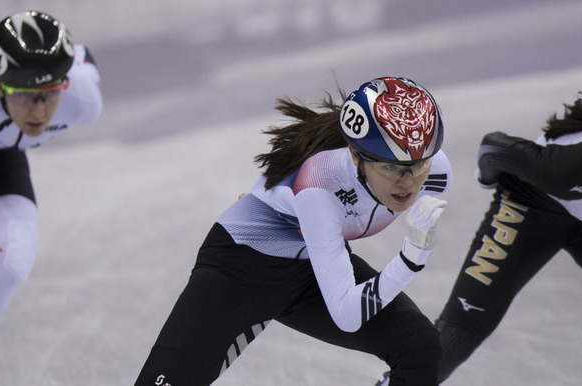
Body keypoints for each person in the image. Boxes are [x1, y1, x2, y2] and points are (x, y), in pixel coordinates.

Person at [135, 76, 453, 385]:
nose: (408, 181)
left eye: (419, 164)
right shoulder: (320, 188)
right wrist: (411, 258)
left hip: (311, 265)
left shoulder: (435, 172)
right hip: (242, 265)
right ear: (355, 154)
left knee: (419, 346)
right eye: (391, 167)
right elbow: (347, 314)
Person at [434, 69, 582, 385]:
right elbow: (493, 149)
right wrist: (488, 182)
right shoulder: (563, 167)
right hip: (534, 205)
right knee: (465, 323)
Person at [0, 10, 102, 322]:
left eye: (50, 92)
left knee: (11, 260)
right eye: (25, 95)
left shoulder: (82, 101)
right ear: (0, 86)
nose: (39, 111)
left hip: (4, 159)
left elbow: (82, 56)